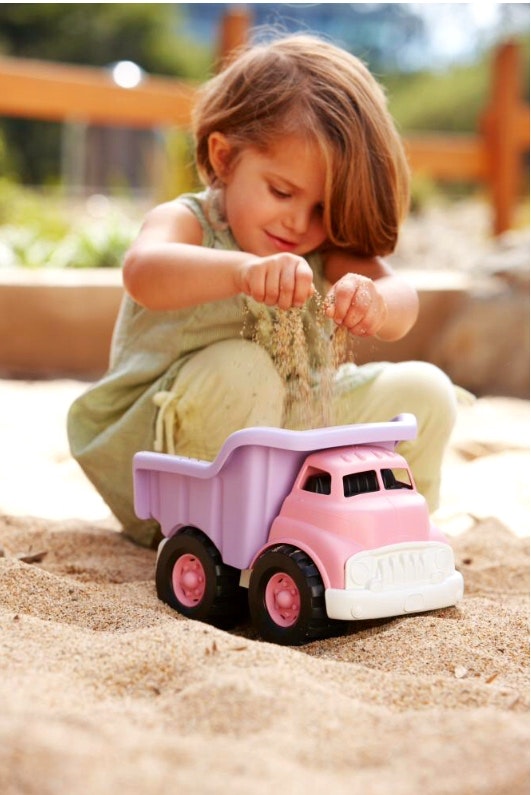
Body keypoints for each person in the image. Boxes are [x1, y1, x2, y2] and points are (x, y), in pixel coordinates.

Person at [67, 33, 458, 548]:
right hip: (173, 464)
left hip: (292, 447)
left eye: (322, 208)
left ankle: (396, 532)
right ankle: (230, 542)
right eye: (281, 191)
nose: (299, 223)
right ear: (225, 158)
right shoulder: (189, 222)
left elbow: (401, 298)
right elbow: (144, 271)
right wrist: (239, 271)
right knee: (242, 369)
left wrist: (377, 302)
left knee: (426, 390)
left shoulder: (325, 248)